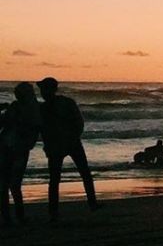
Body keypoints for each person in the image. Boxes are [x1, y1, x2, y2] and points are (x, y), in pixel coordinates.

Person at [37, 77, 99, 221]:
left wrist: (72, 138)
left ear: (51, 90)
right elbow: (44, 129)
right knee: (79, 174)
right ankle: (90, 203)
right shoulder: (55, 105)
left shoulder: (51, 106)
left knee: (60, 178)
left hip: (65, 144)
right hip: (64, 144)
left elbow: (78, 122)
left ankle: (55, 211)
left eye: (44, 89)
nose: (42, 92)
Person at [1, 82, 42, 226]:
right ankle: (10, 217)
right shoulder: (18, 107)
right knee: (6, 184)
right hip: (6, 147)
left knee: (12, 184)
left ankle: (16, 216)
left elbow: (32, 130)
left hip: (18, 149)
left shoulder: (31, 110)